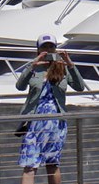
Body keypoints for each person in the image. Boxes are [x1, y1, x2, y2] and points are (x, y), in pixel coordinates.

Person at [16, 33, 86, 184]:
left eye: (51, 46)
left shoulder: (62, 68)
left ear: (55, 49)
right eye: (44, 47)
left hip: (55, 122)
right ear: (38, 49)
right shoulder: (34, 68)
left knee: (52, 164)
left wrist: (70, 64)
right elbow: (20, 86)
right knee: (29, 165)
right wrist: (32, 66)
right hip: (34, 122)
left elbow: (80, 87)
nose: (48, 49)